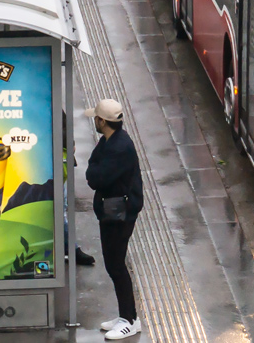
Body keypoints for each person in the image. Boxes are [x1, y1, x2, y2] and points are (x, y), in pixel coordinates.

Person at [86, 98, 143, 341]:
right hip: (113, 209)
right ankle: (126, 316)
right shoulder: (110, 140)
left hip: (119, 212)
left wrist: (94, 168)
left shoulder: (118, 148)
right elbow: (94, 166)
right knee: (114, 262)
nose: (94, 121)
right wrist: (94, 167)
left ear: (102, 121)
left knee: (115, 264)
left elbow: (95, 177)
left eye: (96, 118)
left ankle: (130, 320)